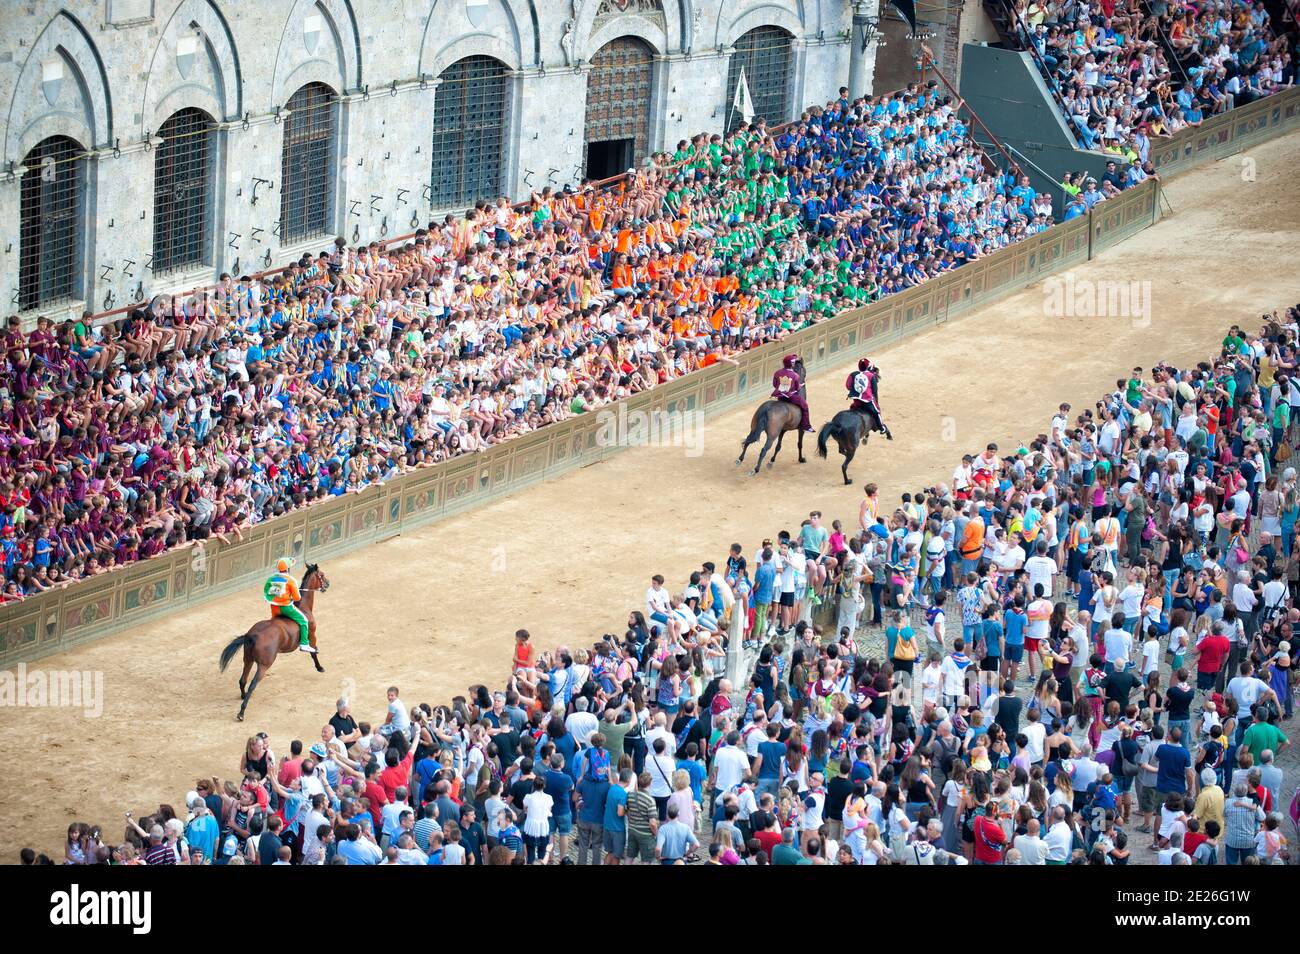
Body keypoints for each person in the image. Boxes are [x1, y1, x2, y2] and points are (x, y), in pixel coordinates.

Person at [264, 557, 313, 652]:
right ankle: (304, 644)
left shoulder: (271, 578)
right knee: (304, 621)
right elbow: (297, 598)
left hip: (274, 609)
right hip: (286, 608)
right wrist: (290, 596)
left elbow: (267, 592)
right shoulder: (291, 580)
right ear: (287, 569)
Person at [846, 357, 893, 439]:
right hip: (867, 401)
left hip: (856, 400)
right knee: (876, 412)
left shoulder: (853, 374)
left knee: (852, 408)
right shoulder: (871, 376)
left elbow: (848, 386)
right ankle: (882, 428)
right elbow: (874, 391)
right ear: (867, 367)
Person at [771, 354, 813, 433]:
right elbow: (797, 388)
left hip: (780, 396)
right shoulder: (795, 375)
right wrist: (799, 386)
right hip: (791, 397)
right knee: (805, 406)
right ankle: (806, 426)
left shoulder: (777, 372)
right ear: (791, 364)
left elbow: (774, 384)